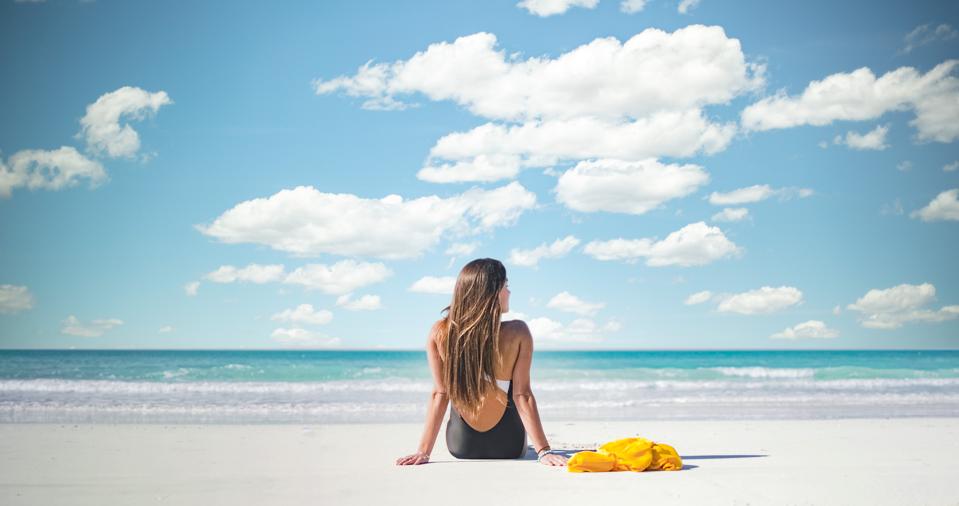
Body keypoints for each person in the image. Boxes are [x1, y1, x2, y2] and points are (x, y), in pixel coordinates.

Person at [395, 258, 568, 467]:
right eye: (506, 286)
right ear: (493, 292)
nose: (509, 292)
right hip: (509, 446)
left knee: (456, 383)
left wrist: (423, 452)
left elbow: (440, 394)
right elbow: (522, 395)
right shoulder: (518, 332)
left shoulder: (439, 333)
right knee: (512, 386)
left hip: (461, 446)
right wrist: (544, 451)